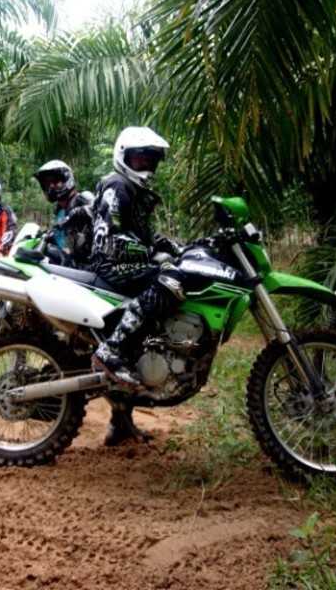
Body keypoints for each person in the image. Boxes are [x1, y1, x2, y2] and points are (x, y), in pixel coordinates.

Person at [88, 126, 184, 446]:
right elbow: (109, 237)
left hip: (125, 262)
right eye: (139, 158)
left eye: (150, 160)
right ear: (123, 155)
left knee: (141, 340)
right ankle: (111, 348)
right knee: (169, 281)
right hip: (112, 264)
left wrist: (174, 247)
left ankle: (120, 423)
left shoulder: (133, 189)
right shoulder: (117, 186)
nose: (145, 165)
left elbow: (142, 234)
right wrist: (152, 255)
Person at [33, 159, 94, 267]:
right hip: (65, 261)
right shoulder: (59, 210)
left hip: (87, 263)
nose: (51, 186)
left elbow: (98, 209)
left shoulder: (82, 198)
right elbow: (59, 233)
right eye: (47, 183)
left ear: (67, 179)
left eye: (56, 181)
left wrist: (79, 212)